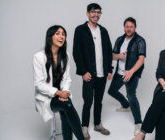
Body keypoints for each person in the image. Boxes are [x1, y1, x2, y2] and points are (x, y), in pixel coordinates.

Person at [33, 25, 84, 140]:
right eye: (58, 33)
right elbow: (39, 84)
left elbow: (67, 78)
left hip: (61, 94)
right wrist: (58, 93)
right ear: (50, 37)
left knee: (66, 108)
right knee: (67, 105)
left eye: (63, 34)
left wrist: (64, 92)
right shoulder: (39, 57)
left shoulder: (65, 55)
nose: (62, 36)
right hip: (46, 97)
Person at [72, 3, 113, 140]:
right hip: (89, 74)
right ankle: (84, 127)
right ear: (87, 14)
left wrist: (109, 70)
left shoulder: (104, 31)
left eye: (99, 12)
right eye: (93, 12)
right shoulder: (80, 30)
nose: (96, 14)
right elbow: (76, 53)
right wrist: (83, 72)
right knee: (88, 101)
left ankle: (97, 124)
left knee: (99, 101)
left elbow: (108, 51)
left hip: (102, 73)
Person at [108, 17, 146, 136]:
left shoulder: (140, 41)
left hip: (132, 74)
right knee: (112, 91)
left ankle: (139, 123)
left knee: (131, 95)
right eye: (127, 26)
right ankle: (125, 106)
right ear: (124, 27)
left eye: (131, 27)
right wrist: (119, 56)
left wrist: (131, 71)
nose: (129, 29)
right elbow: (112, 56)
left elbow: (141, 59)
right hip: (119, 72)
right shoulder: (119, 40)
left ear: (135, 27)